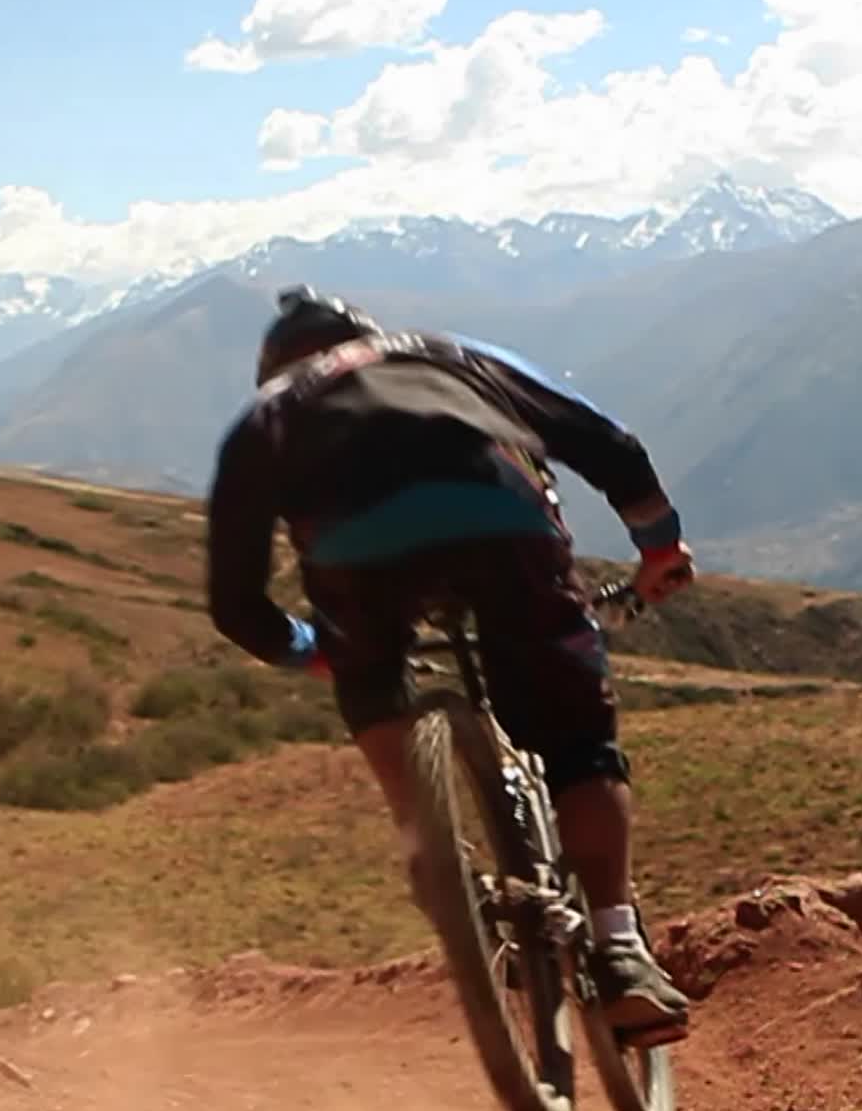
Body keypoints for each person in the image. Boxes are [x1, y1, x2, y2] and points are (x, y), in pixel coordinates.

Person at [206, 285, 695, 1043]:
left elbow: (235, 604)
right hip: (500, 523)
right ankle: (619, 946)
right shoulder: (450, 354)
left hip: (356, 561)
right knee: (578, 743)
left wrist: (320, 654)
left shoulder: (263, 416)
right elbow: (608, 445)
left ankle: (428, 847)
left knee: (372, 684)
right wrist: (659, 548)